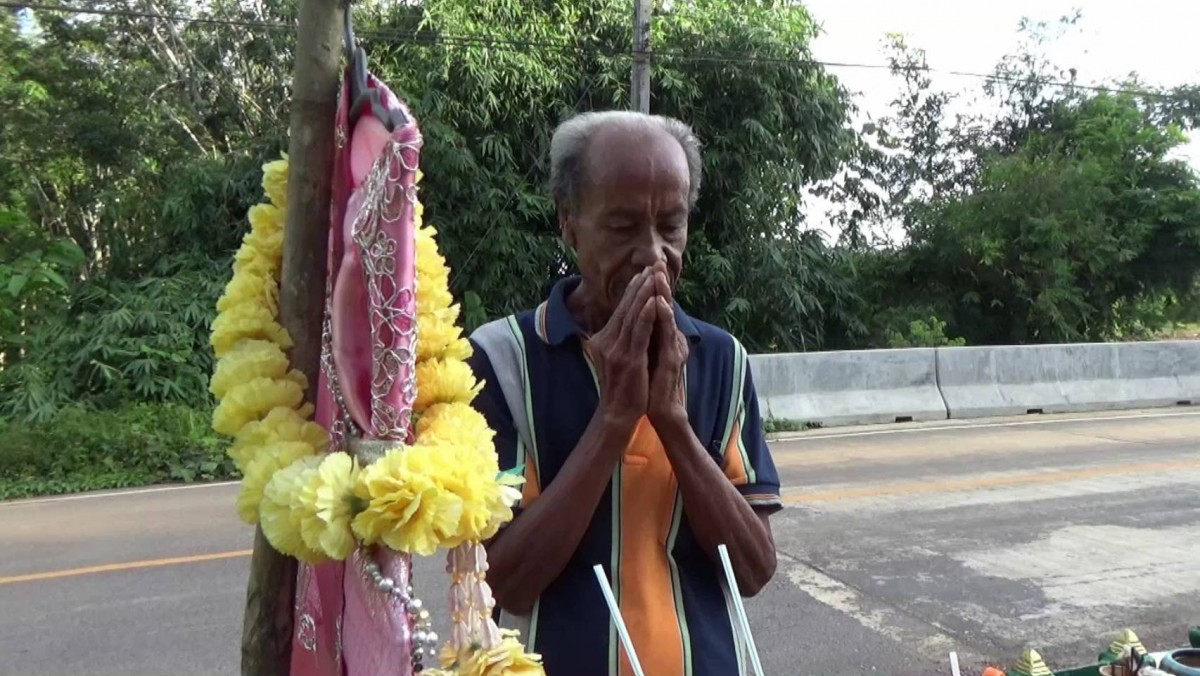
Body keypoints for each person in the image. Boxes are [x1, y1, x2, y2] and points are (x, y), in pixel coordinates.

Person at [466, 111, 781, 676]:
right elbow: (508, 583)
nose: (653, 253)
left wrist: (674, 424)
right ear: (569, 223)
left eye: (671, 226)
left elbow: (754, 571)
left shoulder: (720, 359)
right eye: (622, 226)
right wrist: (613, 420)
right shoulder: (502, 359)